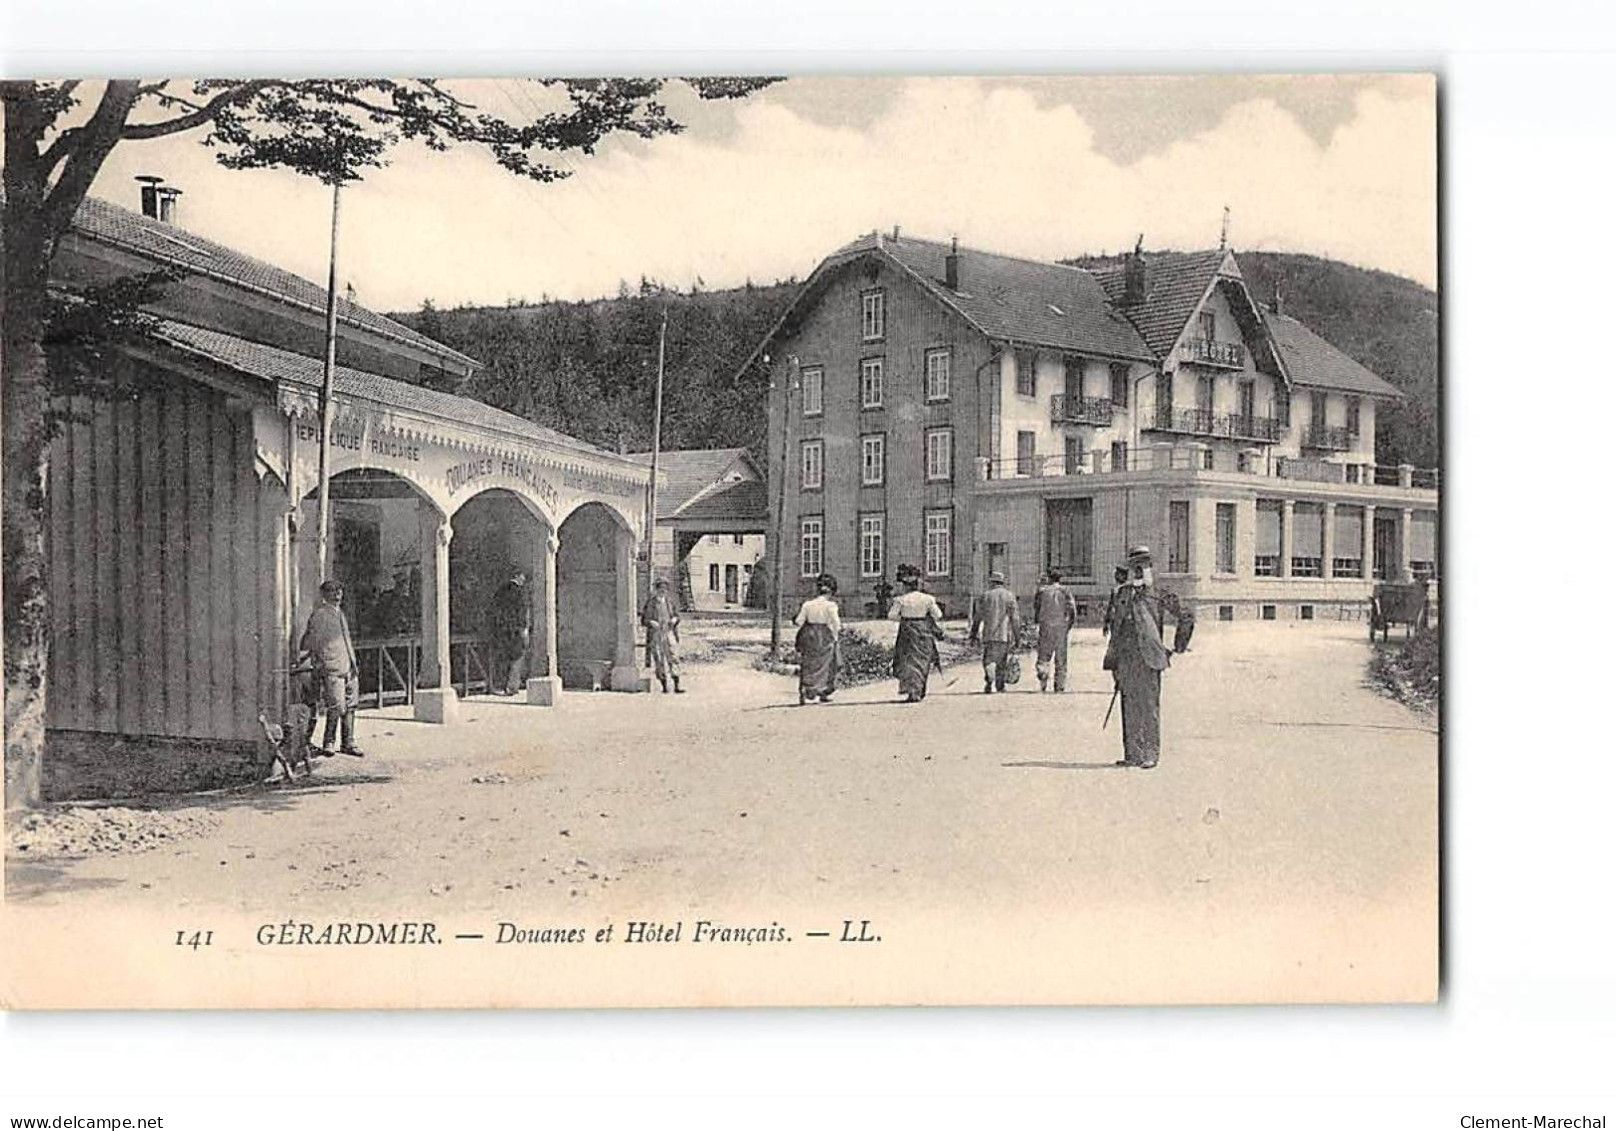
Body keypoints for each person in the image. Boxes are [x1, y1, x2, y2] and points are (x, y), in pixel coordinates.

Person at [1102, 546, 1195, 769]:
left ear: (1150, 568)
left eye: (1143, 566)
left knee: (1149, 707)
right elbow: (1116, 627)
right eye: (1135, 566)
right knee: (1128, 705)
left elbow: (1187, 617)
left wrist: (1177, 647)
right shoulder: (1121, 594)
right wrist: (1113, 659)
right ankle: (1132, 753)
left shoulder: (1160, 594)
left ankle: (1150, 754)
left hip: (1150, 658)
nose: (1139, 571)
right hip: (1126, 659)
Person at [299, 578, 363, 757]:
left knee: (351, 705)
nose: (337, 594)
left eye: (339, 591)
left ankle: (348, 742)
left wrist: (353, 663)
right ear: (324, 595)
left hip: (349, 666)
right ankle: (329, 741)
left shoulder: (340, 613)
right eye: (332, 591)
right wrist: (323, 664)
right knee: (336, 706)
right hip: (332, 667)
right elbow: (313, 642)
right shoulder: (320, 615)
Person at [887, 564, 944, 703]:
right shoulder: (928, 599)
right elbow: (938, 615)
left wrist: (905, 618)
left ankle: (912, 691)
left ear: (906, 586)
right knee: (923, 660)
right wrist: (924, 617)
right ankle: (920, 689)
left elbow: (891, 615)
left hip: (907, 629)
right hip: (923, 629)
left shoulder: (901, 600)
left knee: (908, 660)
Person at [793, 572, 843, 705]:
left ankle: (806, 688)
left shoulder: (807, 604)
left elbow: (799, 621)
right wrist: (836, 637)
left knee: (809, 663)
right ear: (831, 592)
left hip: (808, 634)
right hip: (824, 635)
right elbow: (836, 624)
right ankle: (823, 691)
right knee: (827, 663)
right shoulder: (831, 606)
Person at [969, 570, 1022, 694]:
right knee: (1002, 661)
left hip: (988, 634)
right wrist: (1017, 637)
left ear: (992, 582)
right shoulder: (1009, 596)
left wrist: (973, 633)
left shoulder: (985, 596)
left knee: (988, 659)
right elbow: (1015, 619)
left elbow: (977, 617)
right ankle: (1000, 685)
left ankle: (989, 679)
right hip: (1004, 634)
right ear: (1002, 583)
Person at [487, 568, 532, 696]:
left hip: (502, 630)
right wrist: (524, 629)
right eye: (523, 576)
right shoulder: (520, 592)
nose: (524, 579)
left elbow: (494, 609)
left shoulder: (500, 591)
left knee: (503, 657)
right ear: (518, 576)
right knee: (517, 657)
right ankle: (512, 686)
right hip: (516, 630)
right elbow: (523, 611)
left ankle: (499, 685)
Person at [1033, 569, 1078, 692]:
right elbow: (1072, 609)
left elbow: (1036, 608)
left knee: (1044, 654)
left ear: (1049, 578)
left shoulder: (1042, 592)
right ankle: (1059, 685)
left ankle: (1043, 673)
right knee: (1061, 657)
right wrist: (1069, 624)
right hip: (1060, 626)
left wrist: (1037, 620)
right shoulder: (1065, 591)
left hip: (1045, 625)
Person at [640, 576, 684, 694]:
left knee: (673, 656)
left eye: (665, 588)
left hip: (669, 632)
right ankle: (664, 685)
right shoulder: (651, 603)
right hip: (656, 634)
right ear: (656, 589)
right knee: (659, 659)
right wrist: (651, 622)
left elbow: (676, 615)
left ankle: (676, 685)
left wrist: (674, 619)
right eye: (660, 588)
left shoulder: (670, 602)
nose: (663, 590)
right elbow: (644, 619)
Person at [1101, 564, 1129, 638]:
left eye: (1118, 574)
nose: (1115, 576)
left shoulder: (1128, 590)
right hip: (1115, 623)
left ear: (1124, 576)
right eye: (1116, 574)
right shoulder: (1114, 590)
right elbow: (1110, 607)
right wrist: (1106, 623)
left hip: (1125, 624)